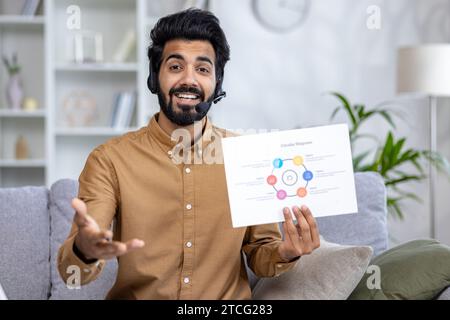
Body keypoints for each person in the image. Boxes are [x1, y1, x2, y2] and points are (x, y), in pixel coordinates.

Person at [57, 8, 320, 300]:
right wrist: (85, 248)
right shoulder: (109, 160)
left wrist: (285, 252)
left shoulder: (246, 156)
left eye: (203, 69)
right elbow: (74, 273)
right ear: (155, 78)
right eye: (175, 67)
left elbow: (261, 253)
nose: (189, 80)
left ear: (217, 83)